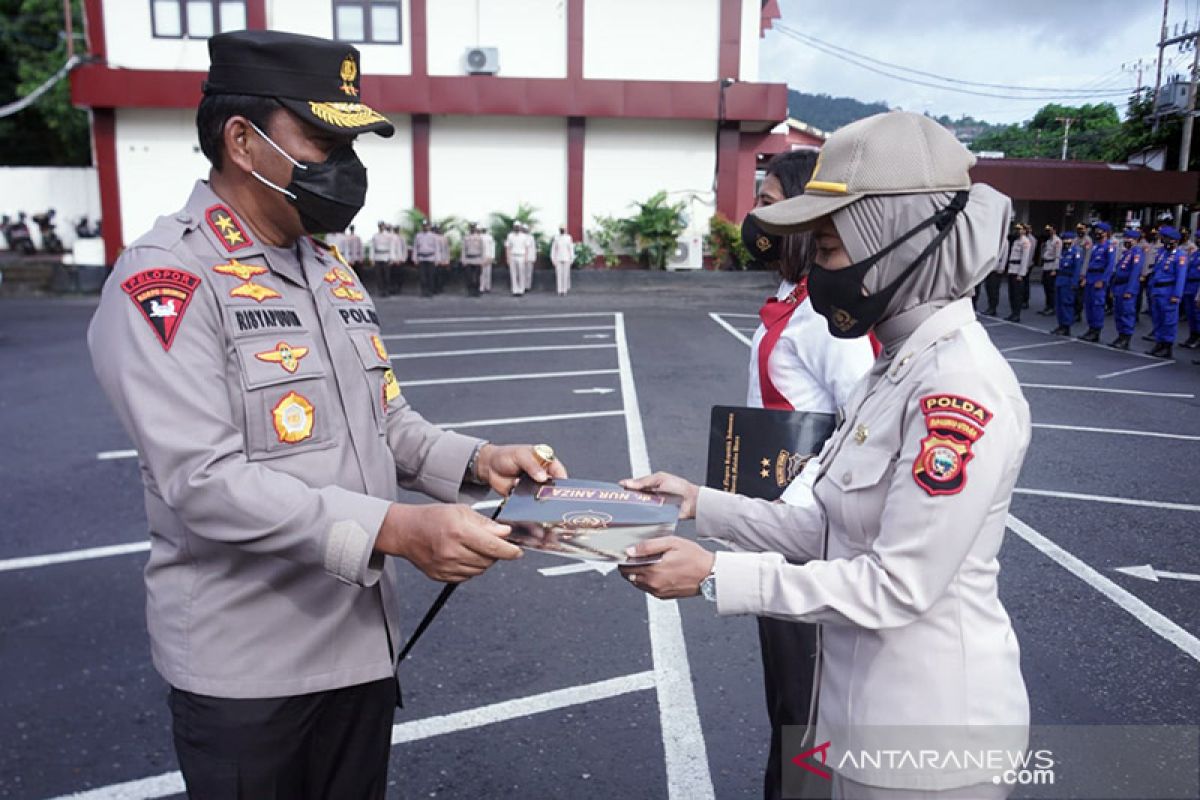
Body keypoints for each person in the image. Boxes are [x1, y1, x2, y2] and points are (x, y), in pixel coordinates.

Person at [87, 31, 571, 798]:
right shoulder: (168, 279)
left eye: (349, 143)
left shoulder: (328, 268)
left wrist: (481, 463)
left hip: (360, 648)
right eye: (321, 139)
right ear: (242, 141)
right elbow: (203, 482)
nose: (344, 166)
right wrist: (397, 530)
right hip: (249, 675)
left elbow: (388, 423)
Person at [619, 112, 1029, 799]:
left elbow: (898, 584)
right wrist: (697, 502)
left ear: (896, 244)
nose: (819, 271)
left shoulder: (956, 386)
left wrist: (717, 575)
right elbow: (831, 531)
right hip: (861, 722)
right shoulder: (897, 365)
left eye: (831, 251)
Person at [743, 147, 875, 800]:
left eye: (767, 204)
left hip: (806, 540)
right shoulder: (788, 302)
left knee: (806, 709)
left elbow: (865, 423)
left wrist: (784, 511)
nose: (754, 217)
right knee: (789, 705)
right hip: (777, 530)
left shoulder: (824, 319)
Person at [1146, 225, 1188, 358]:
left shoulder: (1180, 256)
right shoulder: (1162, 253)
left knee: (1168, 320)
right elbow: (1156, 272)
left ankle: (1167, 346)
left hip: (1169, 291)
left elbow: (1181, 277)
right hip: (1158, 290)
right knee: (1157, 318)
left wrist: (1176, 295)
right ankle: (1159, 343)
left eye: (1165, 238)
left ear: (1174, 240)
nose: (1163, 241)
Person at [1077, 221, 1116, 342]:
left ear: (1105, 233)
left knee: (1097, 305)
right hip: (1091, 277)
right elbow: (1089, 263)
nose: (1097, 233)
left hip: (1099, 277)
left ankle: (1096, 330)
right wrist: (1085, 277)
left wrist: (1103, 280)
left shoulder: (1109, 247)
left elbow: (1110, 266)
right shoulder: (1095, 246)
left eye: (1100, 231)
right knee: (1088, 304)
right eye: (1096, 231)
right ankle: (1090, 328)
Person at [1108, 229, 1145, 350]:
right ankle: (1120, 335)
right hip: (1119, 286)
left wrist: (1130, 290)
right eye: (1126, 238)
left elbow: (1135, 273)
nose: (1126, 240)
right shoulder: (1126, 253)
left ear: (1135, 240)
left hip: (1127, 286)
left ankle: (1126, 338)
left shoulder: (1137, 253)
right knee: (1118, 312)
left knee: (1126, 313)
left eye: (1130, 239)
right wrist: (1113, 288)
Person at [982, 222, 1019, 316]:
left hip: (997, 268)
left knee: (994, 289)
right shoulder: (994, 239)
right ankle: (990, 306)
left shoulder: (1004, 241)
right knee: (989, 288)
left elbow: (1005, 255)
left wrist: (1002, 267)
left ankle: (993, 308)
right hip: (990, 267)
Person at [1050, 231, 1082, 335]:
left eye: (1068, 239)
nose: (1066, 241)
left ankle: (1066, 326)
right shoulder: (1064, 252)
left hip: (1068, 281)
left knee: (1066, 304)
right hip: (1061, 280)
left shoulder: (1076, 252)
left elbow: (1077, 269)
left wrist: (1074, 283)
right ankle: (1061, 324)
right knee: (1059, 304)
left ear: (1073, 240)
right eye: (1064, 240)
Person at [1037, 224, 1061, 316]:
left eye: (1050, 230)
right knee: (1046, 287)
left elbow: (1057, 256)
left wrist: (1055, 269)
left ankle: (1052, 307)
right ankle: (1047, 306)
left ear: (1054, 230)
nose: (1048, 232)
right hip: (1046, 265)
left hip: (1052, 266)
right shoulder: (1048, 241)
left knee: (1051, 289)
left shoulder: (1057, 241)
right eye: (1047, 230)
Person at [1180, 246, 1200, 349]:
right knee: (1190, 313)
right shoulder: (1195, 254)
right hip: (1189, 285)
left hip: (1197, 285)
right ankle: (1192, 335)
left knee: (1197, 313)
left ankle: (1198, 337)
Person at [413, 219, 438, 298]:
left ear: (429, 226)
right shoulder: (418, 236)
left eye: (426, 226)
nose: (425, 227)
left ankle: (430, 291)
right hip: (421, 258)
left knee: (430, 276)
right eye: (424, 226)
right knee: (422, 276)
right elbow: (415, 248)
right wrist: (415, 258)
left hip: (431, 258)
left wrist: (437, 259)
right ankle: (424, 291)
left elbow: (437, 248)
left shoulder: (433, 236)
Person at [461, 222, 485, 298]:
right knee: (469, 276)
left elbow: (482, 250)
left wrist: (482, 261)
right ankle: (470, 290)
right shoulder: (466, 237)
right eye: (471, 227)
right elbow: (463, 250)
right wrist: (463, 260)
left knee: (477, 276)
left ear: (475, 229)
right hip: (468, 259)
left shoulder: (479, 238)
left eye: (473, 228)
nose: (472, 229)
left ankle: (476, 290)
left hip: (477, 259)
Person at [550, 224, 575, 296]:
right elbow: (553, 249)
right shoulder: (556, 238)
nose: (562, 230)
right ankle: (559, 290)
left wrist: (572, 258)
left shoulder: (568, 238)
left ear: (565, 229)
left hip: (566, 258)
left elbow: (571, 249)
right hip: (558, 258)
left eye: (563, 229)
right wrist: (552, 259)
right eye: (561, 229)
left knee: (565, 275)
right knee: (559, 275)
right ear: (559, 230)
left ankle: (564, 290)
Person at [506, 222, 529, 296]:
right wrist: (508, 258)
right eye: (515, 226)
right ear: (513, 227)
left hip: (521, 256)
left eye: (518, 226)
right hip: (513, 255)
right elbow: (508, 247)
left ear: (520, 227)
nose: (516, 228)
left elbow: (527, 247)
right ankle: (515, 290)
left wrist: (526, 257)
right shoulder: (510, 236)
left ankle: (521, 290)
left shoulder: (524, 236)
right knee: (513, 274)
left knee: (521, 274)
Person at [370, 221, 392, 295]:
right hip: (377, 257)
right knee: (378, 275)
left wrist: (391, 258)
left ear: (384, 226)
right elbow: (372, 248)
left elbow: (391, 247)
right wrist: (372, 259)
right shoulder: (375, 236)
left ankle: (386, 290)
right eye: (379, 226)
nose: (381, 227)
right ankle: (380, 290)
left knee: (386, 275)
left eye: (382, 226)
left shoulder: (388, 236)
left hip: (386, 256)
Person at [519, 223, 538, 293]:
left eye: (526, 229)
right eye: (524, 229)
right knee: (522, 272)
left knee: (529, 273)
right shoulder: (520, 237)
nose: (525, 230)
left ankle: (528, 286)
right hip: (522, 256)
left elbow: (533, 248)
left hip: (530, 257)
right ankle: (522, 286)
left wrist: (534, 257)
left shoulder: (531, 237)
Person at [480, 223, 496, 293]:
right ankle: (481, 287)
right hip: (481, 256)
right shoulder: (479, 237)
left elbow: (492, 247)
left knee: (488, 272)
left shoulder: (490, 237)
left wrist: (492, 257)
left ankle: (487, 287)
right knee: (481, 273)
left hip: (488, 256)